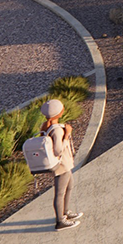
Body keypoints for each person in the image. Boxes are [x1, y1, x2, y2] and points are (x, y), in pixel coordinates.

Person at [39, 99, 81, 231]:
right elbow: (58, 150)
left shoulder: (46, 126)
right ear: (59, 113)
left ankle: (65, 212)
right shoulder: (57, 130)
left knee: (69, 187)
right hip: (61, 165)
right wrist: (67, 134)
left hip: (65, 164)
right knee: (60, 193)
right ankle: (60, 221)